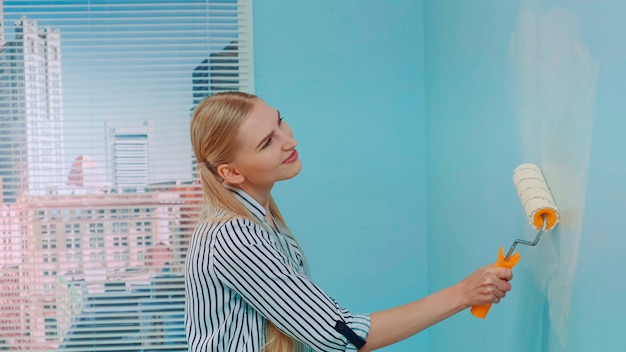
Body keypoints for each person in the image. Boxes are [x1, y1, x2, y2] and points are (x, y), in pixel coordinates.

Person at [185, 91, 513, 352]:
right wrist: (463, 293)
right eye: (267, 142)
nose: (289, 140)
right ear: (232, 172)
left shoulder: (263, 221)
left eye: (280, 122)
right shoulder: (233, 238)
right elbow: (340, 335)